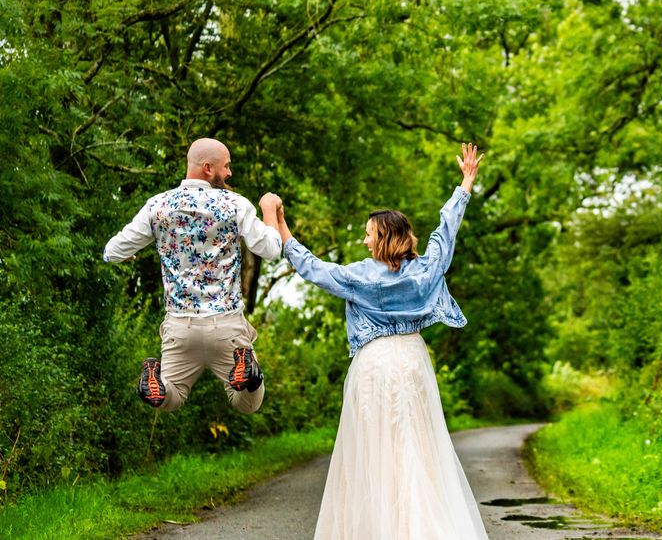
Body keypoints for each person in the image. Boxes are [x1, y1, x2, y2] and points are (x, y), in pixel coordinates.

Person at [277, 143, 488, 539]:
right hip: (411, 362)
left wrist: (283, 228)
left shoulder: (359, 277)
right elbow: (447, 231)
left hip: (374, 365)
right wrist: (465, 183)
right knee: (416, 451)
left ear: (384, 237)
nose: (364, 241)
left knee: (374, 454)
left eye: (369, 234)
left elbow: (313, 269)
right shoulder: (425, 271)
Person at [103, 138, 282, 414]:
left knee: (169, 398)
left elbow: (112, 250)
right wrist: (270, 211)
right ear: (208, 168)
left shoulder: (158, 205)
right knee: (247, 403)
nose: (230, 173)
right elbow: (271, 249)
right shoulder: (235, 204)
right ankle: (245, 371)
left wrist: (122, 255)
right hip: (226, 327)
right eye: (227, 167)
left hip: (180, 328)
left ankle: (157, 386)